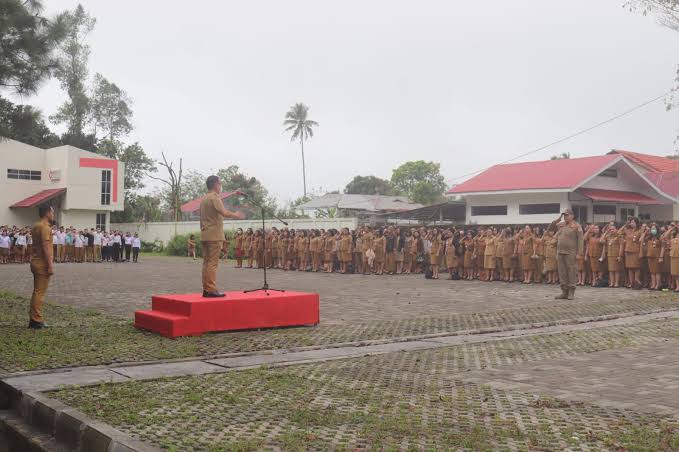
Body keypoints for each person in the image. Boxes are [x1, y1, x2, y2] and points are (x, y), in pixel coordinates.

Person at [200, 175, 244, 297]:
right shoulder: (214, 198)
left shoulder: (204, 199)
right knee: (213, 264)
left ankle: (206, 288)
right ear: (215, 184)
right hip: (214, 235)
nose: (220, 186)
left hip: (205, 234)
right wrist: (236, 214)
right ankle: (211, 289)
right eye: (220, 184)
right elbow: (224, 212)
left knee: (206, 263)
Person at [549, 208, 584, 300]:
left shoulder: (576, 226)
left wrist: (579, 253)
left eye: (567, 215)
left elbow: (580, 240)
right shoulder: (561, 225)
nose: (565, 217)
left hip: (571, 253)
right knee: (562, 273)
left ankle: (571, 291)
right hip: (560, 252)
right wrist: (559, 218)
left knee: (571, 272)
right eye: (564, 215)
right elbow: (553, 229)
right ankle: (564, 291)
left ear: (572, 216)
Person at [29, 204, 55, 329]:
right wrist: (50, 265)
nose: (53, 215)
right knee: (40, 292)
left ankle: (33, 318)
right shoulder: (45, 228)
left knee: (36, 292)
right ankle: (36, 320)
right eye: (52, 212)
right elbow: (46, 246)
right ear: (47, 213)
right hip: (42, 263)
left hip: (35, 261)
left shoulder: (36, 226)